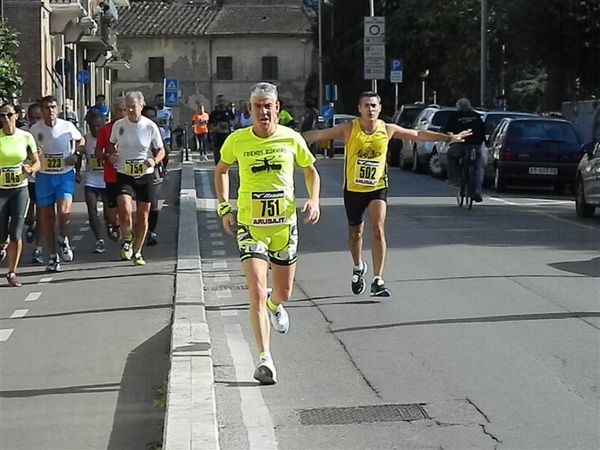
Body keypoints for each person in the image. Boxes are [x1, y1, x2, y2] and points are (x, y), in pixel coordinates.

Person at [302, 91, 471, 297]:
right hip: (353, 190)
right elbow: (318, 135)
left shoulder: (388, 129)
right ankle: (357, 267)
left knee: (377, 229)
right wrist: (286, 137)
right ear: (359, 109)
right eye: (366, 105)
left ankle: (377, 279)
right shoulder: (349, 129)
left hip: (377, 187)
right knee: (355, 234)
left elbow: (417, 135)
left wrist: (448, 137)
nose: (370, 109)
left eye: (374, 105)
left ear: (380, 108)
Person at [214, 82, 320, 385]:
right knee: (257, 290)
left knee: (282, 292)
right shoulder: (237, 141)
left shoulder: (291, 138)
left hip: (284, 228)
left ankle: (276, 305)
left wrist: (313, 199)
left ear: (277, 109)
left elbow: (310, 170)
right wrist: (224, 207)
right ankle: (265, 359)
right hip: (250, 226)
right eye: (257, 106)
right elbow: (221, 170)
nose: (263, 111)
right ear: (250, 110)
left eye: (268, 106)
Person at [107, 91, 165, 265]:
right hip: (124, 172)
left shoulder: (150, 126)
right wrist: (112, 155)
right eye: (128, 107)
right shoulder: (119, 125)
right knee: (124, 208)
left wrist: (153, 161)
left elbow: (161, 150)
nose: (131, 110)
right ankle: (127, 240)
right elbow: (111, 144)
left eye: (134, 107)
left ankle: (138, 251)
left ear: (141, 106)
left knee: (142, 215)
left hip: (144, 174)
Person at [31, 95, 85, 272]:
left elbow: (81, 140)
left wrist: (76, 155)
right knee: (47, 219)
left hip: (64, 175)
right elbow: (28, 152)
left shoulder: (67, 126)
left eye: (53, 107)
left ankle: (63, 238)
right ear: (42, 110)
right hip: (44, 177)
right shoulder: (35, 130)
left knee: (64, 212)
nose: (51, 111)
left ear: (58, 109)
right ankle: (53, 257)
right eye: (47, 108)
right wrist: (34, 155)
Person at [0, 103, 40, 286]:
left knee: (16, 231)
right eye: (2, 115)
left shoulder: (26, 137)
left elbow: (37, 162)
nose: (5, 119)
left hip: (19, 189)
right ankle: (3, 242)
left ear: (16, 115)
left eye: (9, 115)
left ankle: (12, 273)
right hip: (0, 191)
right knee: (1, 233)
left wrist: (30, 168)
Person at [96, 97, 128, 242]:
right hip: (111, 175)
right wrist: (107, 156)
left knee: (126, 206)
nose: (122, 113)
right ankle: (115, 225)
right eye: (119, 110)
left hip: (129, 174)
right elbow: (97, 152)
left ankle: (128, 238)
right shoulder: (105, 130)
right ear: (113, 112)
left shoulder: (135, 128)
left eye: (125, 110)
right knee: (112, 212)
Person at [445, 98, 486, 203]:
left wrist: (446, 136)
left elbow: (447, 129)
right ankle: (477, 190)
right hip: (476, 145)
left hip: (460, 144)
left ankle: (454, 179)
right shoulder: (476, 116)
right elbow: (483, 129)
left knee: (450, 156)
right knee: (476, 166)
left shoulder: (455, 116)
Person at [80, 111, 109, 253]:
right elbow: (79, 156)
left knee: (108, 214)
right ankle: (99, 240)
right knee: (92, 211)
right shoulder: (86, 139)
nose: (96, 129)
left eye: (99, 126)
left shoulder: (110, 138)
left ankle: (111, 225)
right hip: (91, 179)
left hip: (106, 179)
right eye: (93, 126)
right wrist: (77, 171)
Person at [21, 103, 44, 263]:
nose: (36, 121)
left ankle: (38, 249)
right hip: (27, 179)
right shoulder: (23, 134)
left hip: (43, 177)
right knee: (28, 217)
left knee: (42, 214)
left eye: (38, 118)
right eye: (33, 118)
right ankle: (31, 225)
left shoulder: (47, 130)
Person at [141, 105, 166, 245]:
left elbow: (164, 150)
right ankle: (138, 230)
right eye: (148, 116)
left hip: (154, 169)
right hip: (136, 170)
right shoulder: (135, 129)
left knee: (154, 203)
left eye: (153, 116)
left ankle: (151, 231)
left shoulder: (158, 130)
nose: (151, 119)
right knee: (139, 203)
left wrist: (160, 164)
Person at [209, 95, 234, 165]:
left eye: (222, 101)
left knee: (227, 161)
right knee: (218, 161)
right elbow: (209, 126)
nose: (221, 103)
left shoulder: (229, 112)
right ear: (216, 102)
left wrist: (229, 124)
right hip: (217, 139)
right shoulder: (213, 114)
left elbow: (234, 123)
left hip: (227, 138)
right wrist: (215, 128)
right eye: (219, 101)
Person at [155, 94, 172, 167]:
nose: (161, 102)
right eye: (159, 100)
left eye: (162, 100)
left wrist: (171, 127)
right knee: (157, 152)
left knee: (167, 151)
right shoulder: (154, 111)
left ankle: (165, 167)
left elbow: (171, 120)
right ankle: (158, 167)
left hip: (166, 135)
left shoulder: (168, 110)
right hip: (156, 135)